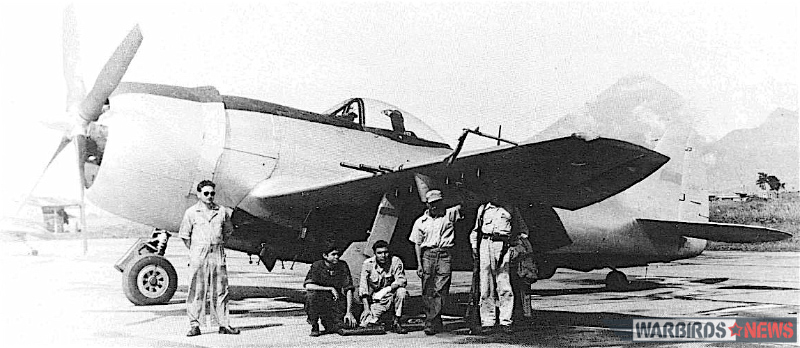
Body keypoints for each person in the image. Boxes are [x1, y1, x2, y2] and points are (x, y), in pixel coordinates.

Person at [179, 180, 240, 337]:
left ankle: (224, 324)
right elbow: (185, 236)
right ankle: (194, 325)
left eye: (212, 193)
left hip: (217, 253)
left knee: (221, 290)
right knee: (196, 290)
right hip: (199, 254)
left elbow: (228, 231)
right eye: (206, 193)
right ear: (199, 194)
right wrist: (196, 250)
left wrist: (216, 245)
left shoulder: (222, 212)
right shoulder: (191, 213)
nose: (209, 196)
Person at [409, 189, 462, 335]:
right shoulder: (420, 222)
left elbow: (464, 201)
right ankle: (435, 319)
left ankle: (430, 321)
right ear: (427, 204)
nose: (435, 206)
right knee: (427, 289)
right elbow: (417, 244)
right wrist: (419, 264)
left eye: (438, 203)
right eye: (432, 204)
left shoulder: (450, 214)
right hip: (428, 255)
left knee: (441, 288)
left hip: (445, 254)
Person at [470, 198, 516, 334]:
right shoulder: (483, 209)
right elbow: (475, 230)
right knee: (485, 285)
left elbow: (522, 230)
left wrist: (516, 248)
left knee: (504, 284)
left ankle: (505, 321)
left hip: (503, 244)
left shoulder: (510, 208)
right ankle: (487, 321)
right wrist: (474, 247)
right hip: (486, 243)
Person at [304, 244, 358, 337]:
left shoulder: (342, 265)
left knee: (345, 326)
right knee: (311, 295)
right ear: (325, 256)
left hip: (335, 300)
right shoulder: (317, 265)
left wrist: (349, 312)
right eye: (333, 254)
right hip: (321, 299)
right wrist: (329, 288)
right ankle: (314, 324)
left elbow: (348, 289)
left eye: (338, 254)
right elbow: (308, 285)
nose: (337, 257)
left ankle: (329, 323)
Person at [358, 240, 408, 334]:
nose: (383, 255)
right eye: (379, 253)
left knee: (402, 291)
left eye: (385, 252)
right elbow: (363, 288)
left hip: (392, 295)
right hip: (378, 299)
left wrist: (387, 289)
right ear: (375, 253)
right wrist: (366, 309)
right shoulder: (368, 264)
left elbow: (402, 280)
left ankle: (396, 321)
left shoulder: (395, 261)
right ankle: (384, 319)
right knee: (366, 323)